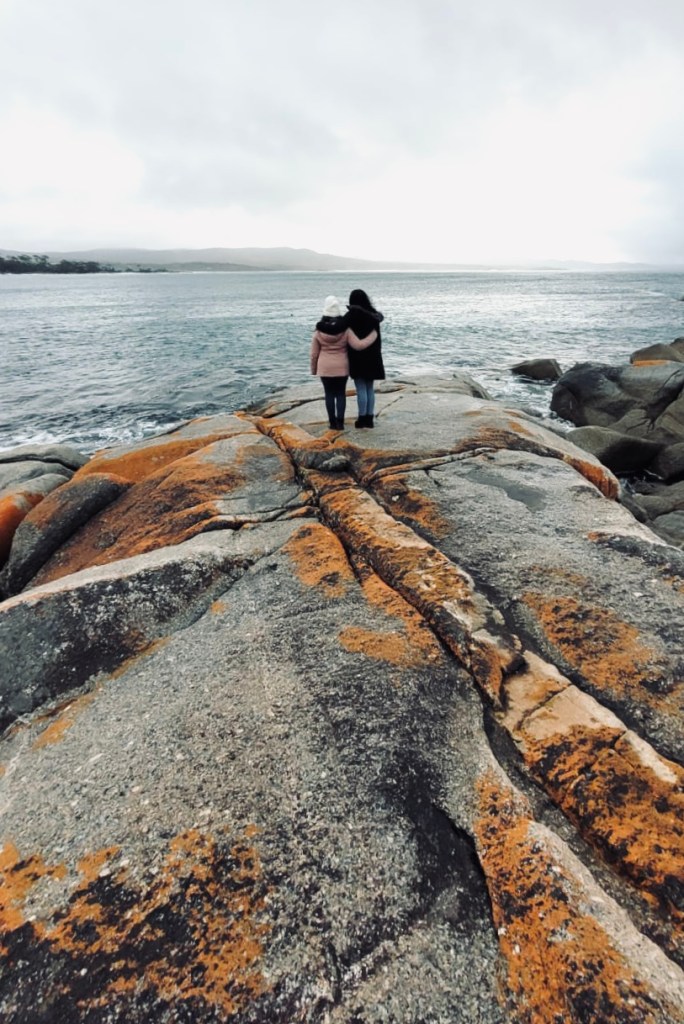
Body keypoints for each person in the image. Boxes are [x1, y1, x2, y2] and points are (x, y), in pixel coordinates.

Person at [310, 296, 377, 430]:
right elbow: (358, 345)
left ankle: (332, 423)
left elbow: (313, 354)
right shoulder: (345, 330)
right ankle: (340, 423)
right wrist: (373, 335)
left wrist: (314, 370)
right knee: (341, 394)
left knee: (329, 394)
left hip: (325, 367)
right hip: (342, 366)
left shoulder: (318, 331)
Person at [346, 288, 385, 428]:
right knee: (369, 388)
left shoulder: (350, 316)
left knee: (360, 388)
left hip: (357, 357)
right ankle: (370, 418)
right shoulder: (374, 317)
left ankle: (361, 418)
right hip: (373, 356)